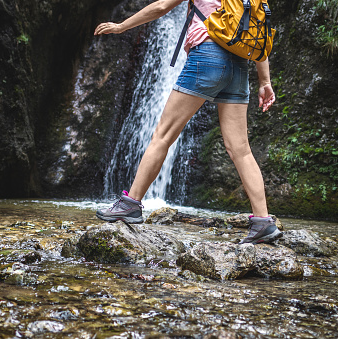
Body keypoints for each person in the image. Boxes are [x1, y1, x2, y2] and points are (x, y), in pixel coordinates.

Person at [94, 0, 282, 244]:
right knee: (241, 150)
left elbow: (161, 6)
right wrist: (264, 81)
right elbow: (259, 30)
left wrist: (121, 26)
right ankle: (263, 221)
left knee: (163, 135)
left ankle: (130, 204)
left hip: (207, 56)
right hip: (239, 66)